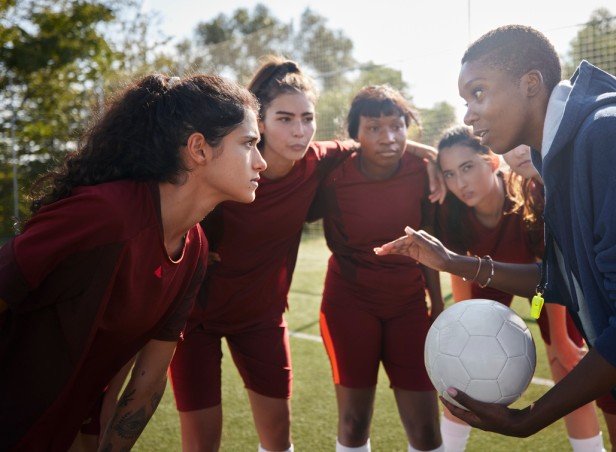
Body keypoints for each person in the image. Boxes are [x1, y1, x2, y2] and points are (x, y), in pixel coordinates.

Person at [375, 24, 616, 450]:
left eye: (478, 93)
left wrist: (529, 419)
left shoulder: (610, 137)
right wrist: (452, 262)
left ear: (531, 83)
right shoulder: (564, 156)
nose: (467, 115)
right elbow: (565, 279)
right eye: (465, 101)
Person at [168, 57, 443, 452]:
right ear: (258, 121)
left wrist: (427, 156)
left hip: (260, 317)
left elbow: (371, 141)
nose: (300, 132)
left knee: (279, 440)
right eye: (285, 119)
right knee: (201, 443)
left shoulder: (316, 161)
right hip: (193, 320)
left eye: (307, 118)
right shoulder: (222, 165)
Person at [0, 73, 266, 451]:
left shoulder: (195, 249)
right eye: (249, 144)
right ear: (199, 148)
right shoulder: (105, 214)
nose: (262, 162)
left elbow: (148, 384)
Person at [435, 125, 613, 452]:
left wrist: (559, 339)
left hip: (541, 285)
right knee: (460, 372)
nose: (459, 182)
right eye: (448, 174)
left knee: (565, 363)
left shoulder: (527, 192)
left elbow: (550, 275)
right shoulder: (451, 209)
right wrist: (460, 325)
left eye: (467, 168)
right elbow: (458, 270)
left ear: (491, 162)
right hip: (488, 278)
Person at [309, 85, 444, 452]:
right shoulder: (334, 175)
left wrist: (437, 305)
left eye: (397, 126)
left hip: (409, 305)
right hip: (349, 304)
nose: (389, 137)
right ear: (355, 134)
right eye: (374, 128)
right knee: (354, 423)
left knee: (427, 429)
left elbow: (428, 241)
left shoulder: (423, 171)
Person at [502, 143, 616, 452]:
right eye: (511, 146)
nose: (519, 152)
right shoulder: (530, 188)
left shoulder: (582, 171)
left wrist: (560, 336)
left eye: (525, 141)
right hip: (581, 315)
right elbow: (547, 272)